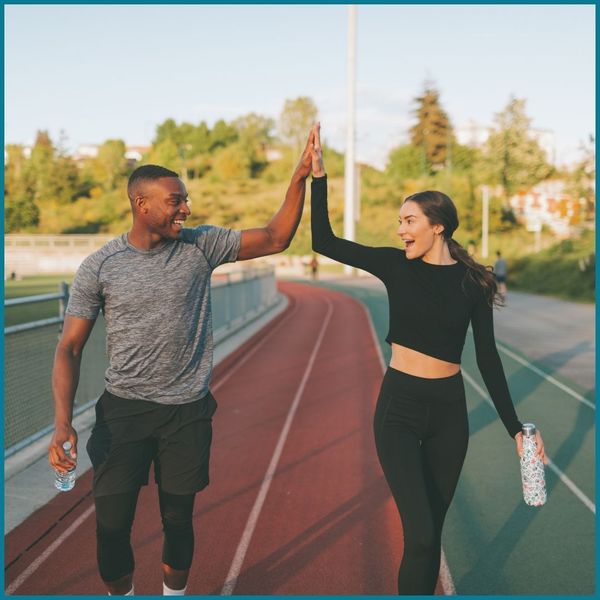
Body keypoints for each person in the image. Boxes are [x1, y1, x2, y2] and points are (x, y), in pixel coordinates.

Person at [47, 124, 320, 596]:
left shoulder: (201, 245)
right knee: (110, 527)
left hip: (186, 413)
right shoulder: (100, 265)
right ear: (142, 205)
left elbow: (277, 237)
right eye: (176, 200)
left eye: (185, 199)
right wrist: (61, 422)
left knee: (178, 522)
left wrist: (299, 177)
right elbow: (68, 347)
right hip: (124, 413)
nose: (186, 208)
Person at [309, 125, 547, 595]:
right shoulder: (396, 265)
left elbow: (488, 358)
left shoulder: (476, 282)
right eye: (400, 221)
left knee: (428, 539)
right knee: (419, 532)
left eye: (409, 220)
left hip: (448, 415)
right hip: (398, 407)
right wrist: (319, 179)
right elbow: (324, 241)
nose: (401, 230)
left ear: (437, 225)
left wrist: (516, 431)